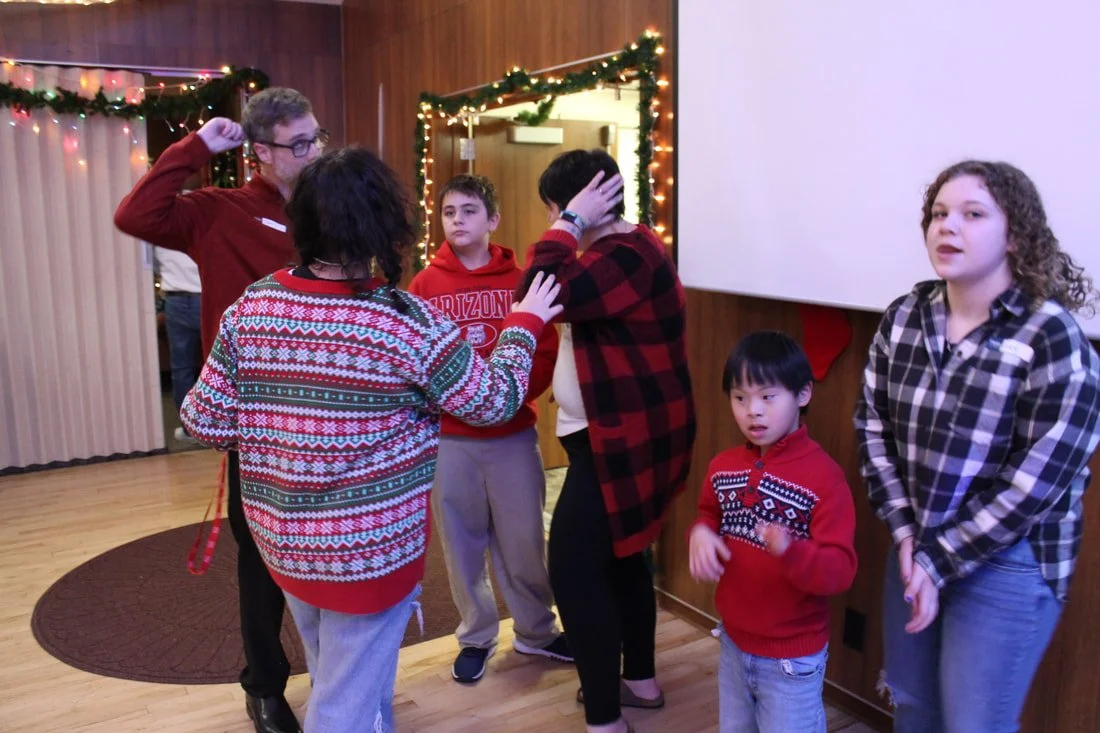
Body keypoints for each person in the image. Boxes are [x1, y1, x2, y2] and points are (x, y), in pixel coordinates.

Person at [180, 146, 563, 733]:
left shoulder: (253, 306)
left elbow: (202, 421)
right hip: (369, 553)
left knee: (340, 675)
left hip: (281, 541)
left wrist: (280, 426)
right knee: (342, 708)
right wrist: (524, 324)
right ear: (386, 228)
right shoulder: (404, 319)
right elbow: (494, 400)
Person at [854, 160, 1100, 733]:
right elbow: (873, 430)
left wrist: (937, 560)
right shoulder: (905, 318)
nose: (948, 227)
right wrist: (908, 537)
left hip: (1008, 563)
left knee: (974, 724)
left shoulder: (1051, 335)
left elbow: (1033, 486)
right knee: (913, 705)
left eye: (972, 214)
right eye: (939, 214)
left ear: (1015, 235)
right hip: (915, 545)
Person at [115, 86, 329, 733]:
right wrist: (196, 146)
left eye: (316, 137)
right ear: (261, 152)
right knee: (260, 557)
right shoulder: (220, 213)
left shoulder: (333, 208)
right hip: (258, 425)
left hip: (328, 414)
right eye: (297, 144)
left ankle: (339, 676)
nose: (313, 152)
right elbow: (136, 214)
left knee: (330, 553)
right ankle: (263, 685)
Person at [518, 149, 697, 733]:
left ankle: (604, 719)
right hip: (608, 437)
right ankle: (639, 682)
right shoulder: (620, 252)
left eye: (558, 207)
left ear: (584, 201)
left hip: (620, 442)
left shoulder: (626, 255)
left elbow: (538, 290)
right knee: (623, 558)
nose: (555, 220)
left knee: (572, 570)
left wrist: (565, 224)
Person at [407, 174, 571, 683]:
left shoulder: (521, 280)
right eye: (450, 212)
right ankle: (476, 634)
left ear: (492, 219)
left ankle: (536, 632)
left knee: (523, 541)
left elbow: (543, 349)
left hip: (512, 438)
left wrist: (504, 400)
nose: (458, 220)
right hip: (450, 442)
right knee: (461, 544)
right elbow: (414, 360)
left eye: (469, 211)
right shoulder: (424, 286)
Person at [689, 330, 857, 733]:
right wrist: (700, 531)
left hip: (791, 660)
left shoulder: (825, 479)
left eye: (768, 396)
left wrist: (791, 550)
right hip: (733, 643)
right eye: (740, 398)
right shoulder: (723, 467)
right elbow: (708, 513)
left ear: (802, 394)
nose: (753, 412)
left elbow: (839, 570)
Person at [153, 244, 202, 444]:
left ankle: (189, 428)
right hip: (205, 296)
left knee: (182, 368)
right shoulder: (201, 227)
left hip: (175, 300)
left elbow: (155, 267)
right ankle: (220, 427)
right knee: (218, 365)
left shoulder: (162, 235)